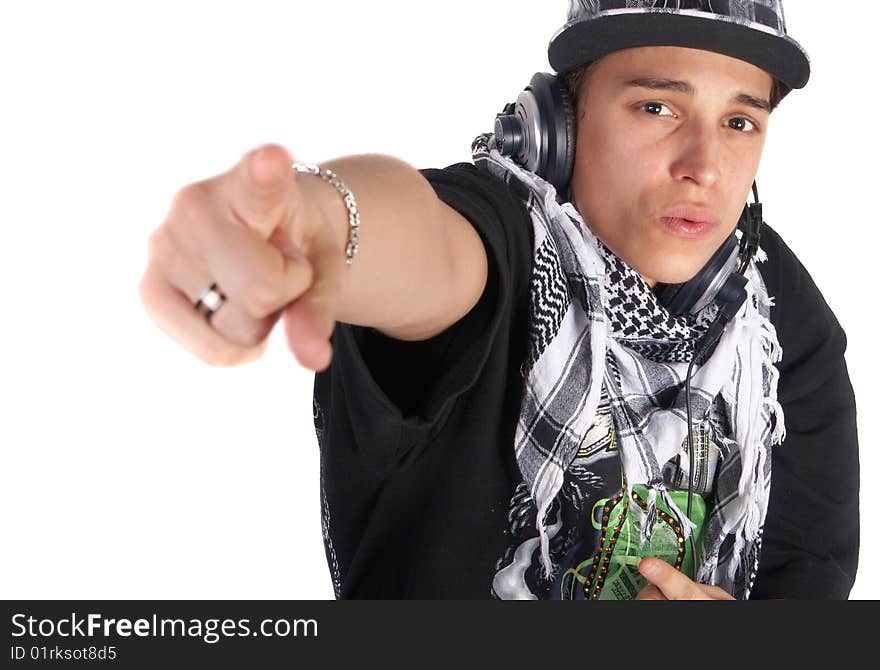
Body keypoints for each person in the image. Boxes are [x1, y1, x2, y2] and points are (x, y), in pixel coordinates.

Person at [139, 0, 859, 600]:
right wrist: (318, 222)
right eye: (656, 106)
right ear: (558, 128)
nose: (704, 167)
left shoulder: (775, 316)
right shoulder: (509, 246)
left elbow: (808, 581)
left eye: (740, 122)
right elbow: (429, 243)